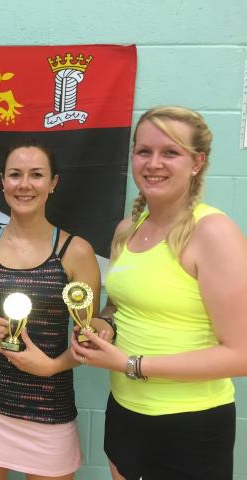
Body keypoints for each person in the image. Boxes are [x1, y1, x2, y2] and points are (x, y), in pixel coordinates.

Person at [71, 106, 247, 480]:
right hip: (125, 412)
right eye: (144, 151)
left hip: (191, 424)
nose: (153, 163)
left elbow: (242, 355)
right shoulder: (128, 228)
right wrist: (102, 327)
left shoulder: (214, 233)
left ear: (197, 162)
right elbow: (118, 307)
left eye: (170, 152)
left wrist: (131, 364)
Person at [0, 140, 113, 480]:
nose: (24, 185)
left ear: (53, 183)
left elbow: (89, 337)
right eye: (15, 175)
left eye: (36, 175)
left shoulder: (76, 252)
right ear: (2, 181)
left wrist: (53, 365)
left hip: (49, 409)